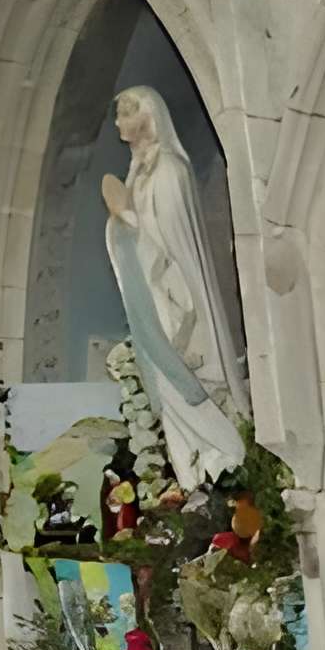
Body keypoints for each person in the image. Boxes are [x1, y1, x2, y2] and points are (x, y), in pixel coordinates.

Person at [101, 83, 249, 486]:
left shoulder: (170, 171)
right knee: (166, 395)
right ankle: (192, 481)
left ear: (147, 114)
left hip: (177, 301)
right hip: (152, 303)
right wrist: (122, 227)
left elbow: (174, 249)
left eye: (125, 113)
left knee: (187, 386)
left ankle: (225, 464)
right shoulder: (140, 172)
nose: (117, 122)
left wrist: (130, 226)